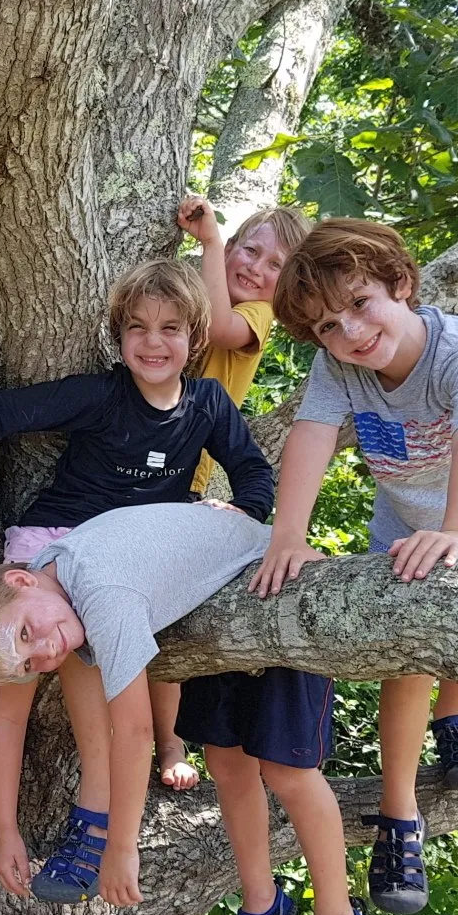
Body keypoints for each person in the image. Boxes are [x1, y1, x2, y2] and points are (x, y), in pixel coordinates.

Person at [0, 259, 274, 915]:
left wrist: (243, 511)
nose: (153, 342)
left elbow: (253, 472)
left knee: (95, 692)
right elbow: (7, 411)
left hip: (121, 563)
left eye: (171, 329)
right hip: (52, 548)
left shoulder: (208, 405)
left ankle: (93, 827)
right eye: (137, 328)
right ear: (119, 337)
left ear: (196, 337)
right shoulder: (102, 395)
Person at [0, 502, 372, 915]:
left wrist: (120, 847)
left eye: (26, 633)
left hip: (277, 585)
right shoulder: (54, 571)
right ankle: (262, 903)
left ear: (20, 581)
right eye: (28, 663)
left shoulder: (101, 594)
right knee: (226, 764)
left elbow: (135, 733)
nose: (45, 653)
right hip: (216, 617)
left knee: (287, 773)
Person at [251, 219, 458, 915]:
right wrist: (287, 536)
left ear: (400, 284)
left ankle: (457, 715)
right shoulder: (339, 367)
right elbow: (311, 438)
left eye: (359, 303)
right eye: (327, 325)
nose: (350, 331)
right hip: (407, 514)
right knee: (408, 655)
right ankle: (399, 813)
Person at [152, 195, 311, 792]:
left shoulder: (258, 316)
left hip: (182, 475)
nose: (257, 268)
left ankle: (170, 741)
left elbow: (220, 328)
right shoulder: (194, 291)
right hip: (132, 456)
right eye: (251, 250)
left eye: (276, 265)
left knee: (163, 616)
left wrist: (212, 243)